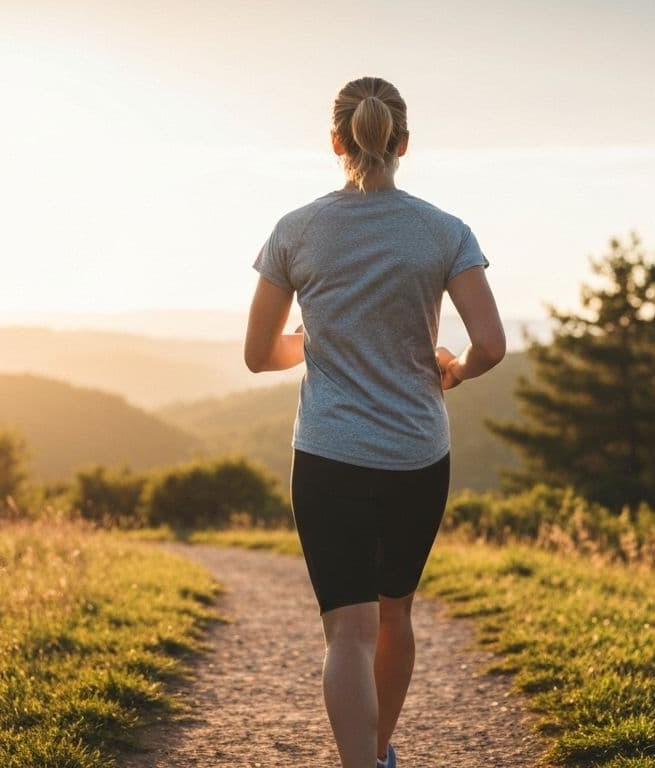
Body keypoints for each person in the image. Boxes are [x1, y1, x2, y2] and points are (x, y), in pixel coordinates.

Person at [243, 76, 506, 768]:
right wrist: (455, 371)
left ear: (337, 142)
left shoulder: (295, 231)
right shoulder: (444, 232)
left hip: (329, 456)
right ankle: (380, 753)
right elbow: (494, 345)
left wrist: (305, 343)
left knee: (348, 637)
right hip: (418, 456)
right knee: (395, 616)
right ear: (404, 143)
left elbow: (256, 355)